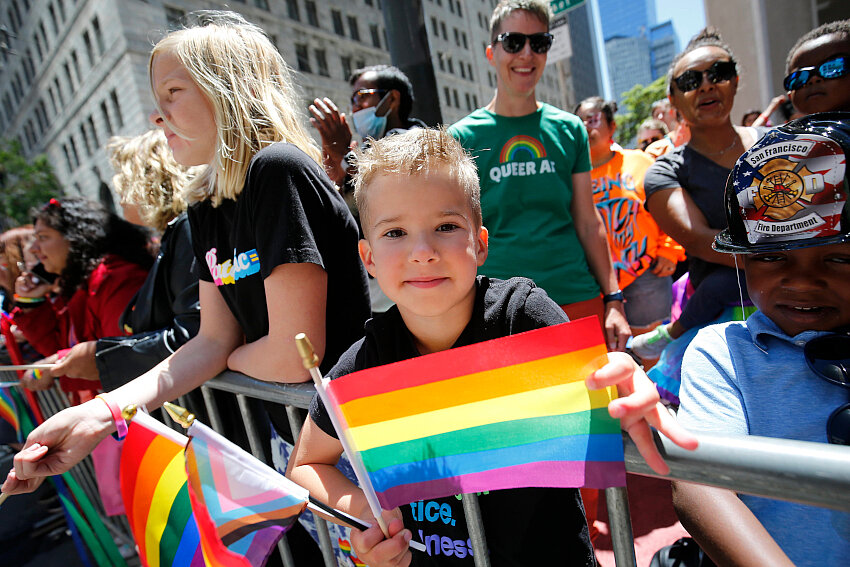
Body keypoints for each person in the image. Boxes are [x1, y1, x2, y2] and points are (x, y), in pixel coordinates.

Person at [286, 127, 698, 567]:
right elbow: (306, 464)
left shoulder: (524, 318)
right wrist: (367, 515)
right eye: (395, 233)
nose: (422, 251)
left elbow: (604, 389)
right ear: (367, 259)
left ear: (480, 243)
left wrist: (625, 381)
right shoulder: (367, 361)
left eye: (446, 226)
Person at [2, 11, 370, 499]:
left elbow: (290, 357)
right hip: (298, 443)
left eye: (173, 93)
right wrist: (99, 413)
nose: (157, 116)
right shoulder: (206, 201)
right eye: (156, 100)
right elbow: (208, 341)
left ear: (228, 90)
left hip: (354, 441)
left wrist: (228, 355)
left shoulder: (277, 170)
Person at [672, 113, 850, 567]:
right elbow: (700, 483)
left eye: (839, 259)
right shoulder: (724, 353)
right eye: (772, 256)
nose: (804, 282)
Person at [448, 0, 629, 353]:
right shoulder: (461, 137)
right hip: (498, 306)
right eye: (514, 42)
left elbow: (589, 222)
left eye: (539, 43)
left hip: (575, 297)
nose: (526, 53)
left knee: (592, 405)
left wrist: (614, 299)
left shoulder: (570, 128)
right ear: (491, 52)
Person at [631, 27, 766, 360]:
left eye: (718, 73)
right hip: (725, 322)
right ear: (674, 100)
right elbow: (700, 240)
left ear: (735, 80)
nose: (706, 85)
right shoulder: (665, 172)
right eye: (691, 81)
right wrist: (790, 257)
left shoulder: (779, 144)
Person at [46, 129, 200, 391]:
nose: (118, 185)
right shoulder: (177, 233)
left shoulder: (187, 230)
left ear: (153, 177)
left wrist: (104, 357)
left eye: (126, 174)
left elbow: (194, 333)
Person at [310, 64, 426, 314]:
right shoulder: (362, 152)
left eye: (362, 97)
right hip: (375, 291)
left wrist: (345, 157)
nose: (354, 107)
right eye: (352, 100)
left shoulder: (418, 141)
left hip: (415, 284)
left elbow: (394, 189)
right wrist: (336, 177)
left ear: (391, 98)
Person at [12, 197, 152, 401]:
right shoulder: (81, 286)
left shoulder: (116, 279)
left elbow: (123, 357)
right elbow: (57, 349)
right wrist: (31, 304)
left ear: (76, 238)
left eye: (43, 237)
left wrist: (58, 363)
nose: (33, 248)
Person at [576, 97, 685, 337]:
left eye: (593, 120)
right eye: (580, 121)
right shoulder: (572, 175)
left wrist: (669, 249)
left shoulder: (639, 161)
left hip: (646, 273)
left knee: (653, 351)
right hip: (593, 280)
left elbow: (667, 206)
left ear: (612, 126)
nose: (586, 127)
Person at [784, 19, 850, 116]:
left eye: (831, 67)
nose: (813, 79)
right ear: (790, 95)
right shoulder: (782, 131)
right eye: (799, 77)